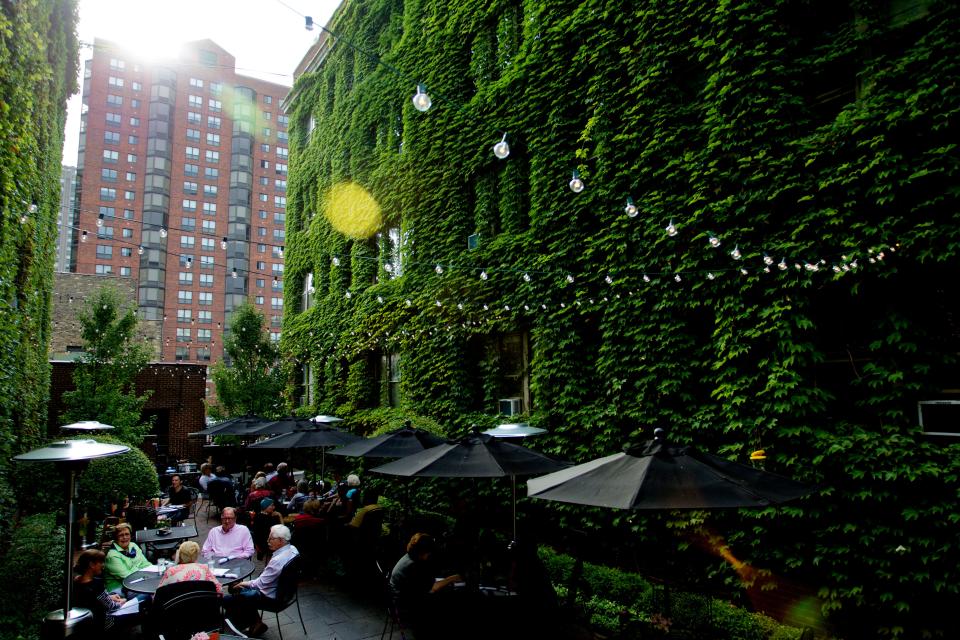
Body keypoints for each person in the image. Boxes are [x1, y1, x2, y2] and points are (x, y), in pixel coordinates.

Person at [224, 524, 299, 638]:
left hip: (274, 598)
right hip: (287, 594)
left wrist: (242, 583)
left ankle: (241, 624)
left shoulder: (278, 560)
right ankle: (255, 622)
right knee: (239, 592)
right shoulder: (293, 549)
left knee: (230, 598)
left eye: (271, 538)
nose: (267, 541)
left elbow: (259, 584)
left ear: (280, 540)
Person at [389, 533, 463, 640]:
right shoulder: (414, 565)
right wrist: (452, 578)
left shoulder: (409, 557)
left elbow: (421, 583)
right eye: (428, 552)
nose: (429, 555)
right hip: (402, 606)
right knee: (444, 604)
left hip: (397, 598)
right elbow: (432, 588)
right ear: (423, 551)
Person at [73, 549, 127, 632]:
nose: (103, 565)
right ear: (91, 565)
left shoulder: (76, 581)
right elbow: (112, 607)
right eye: (101, 562)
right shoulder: (96, 585)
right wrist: (124, 601)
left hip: (86, 624)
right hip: (104, 624)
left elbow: (93, 600)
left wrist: (109, 597)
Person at [158, 541, 222, 594]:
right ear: (196, 555)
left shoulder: (171, 571)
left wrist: (176, 562)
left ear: (179, 554)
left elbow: (158, 594)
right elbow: (219, 590)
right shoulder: (203, 568)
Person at [104, 523, 152, 592]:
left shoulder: (133, 546)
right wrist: (143, 572)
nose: (125, 537)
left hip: (138, 581)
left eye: (127, 534)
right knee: (149, 595)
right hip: (119, 589)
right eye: (121, 535)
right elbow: (128, 577)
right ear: (115, 538)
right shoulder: (112, 556)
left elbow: (145, 563)